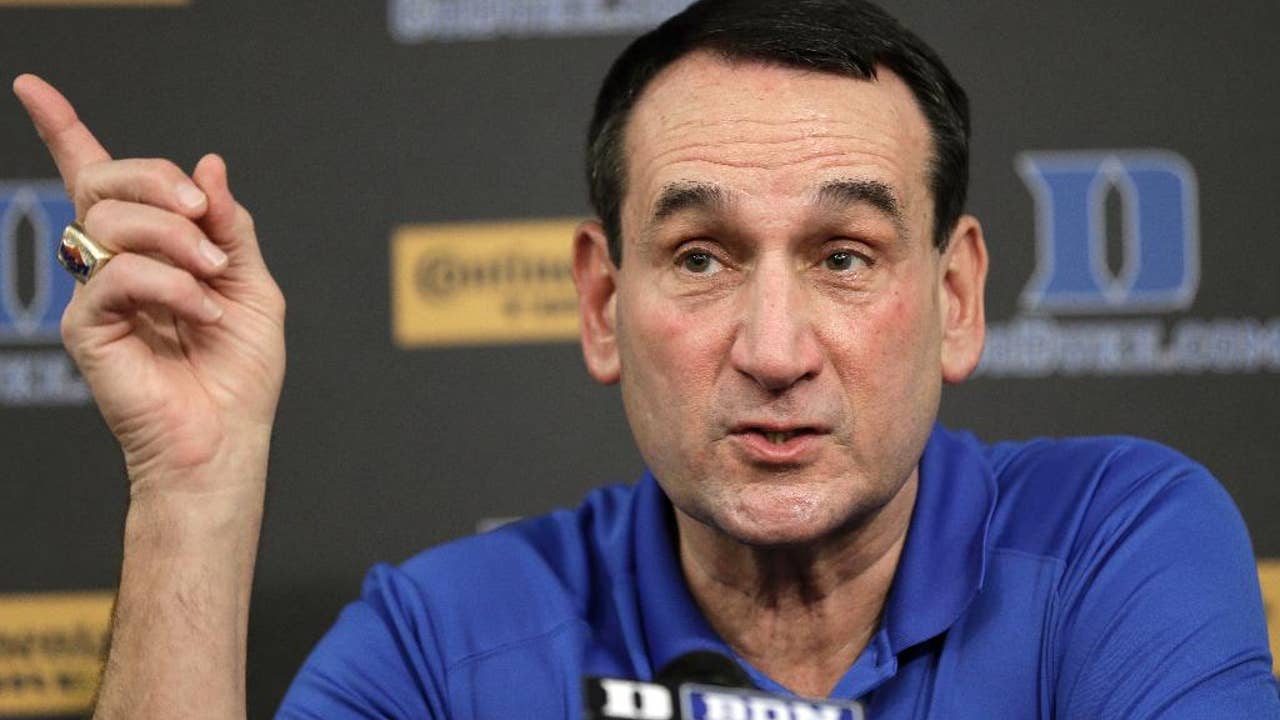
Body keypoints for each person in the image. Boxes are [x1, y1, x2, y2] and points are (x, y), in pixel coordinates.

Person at [13, 0, 1278, 717]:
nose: (772, 351)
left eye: (843, 256)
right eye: (700, 258)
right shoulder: (443, 643)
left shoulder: (1115, 543)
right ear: (600, 302)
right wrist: (191, 485)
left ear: (953, 299)